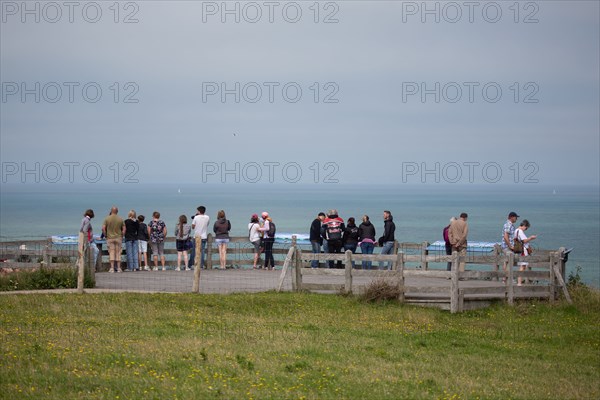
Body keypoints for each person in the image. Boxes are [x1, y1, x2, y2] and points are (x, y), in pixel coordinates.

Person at [514, 219, 537, 286]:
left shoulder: (516, 231)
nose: (526, 229)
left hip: (519, 250)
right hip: (523, 250)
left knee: (523, 266)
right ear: (524, 225)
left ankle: (519, 281)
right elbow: (524, 241)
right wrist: (531, 238)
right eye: (526, 228)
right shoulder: (520, 231)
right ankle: (519, 282)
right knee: (523, 266)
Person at [102, 206, 125, 273]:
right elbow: (124, 229)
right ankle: (118, 268)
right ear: (117, 211)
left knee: (111, 252)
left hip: (110, 238)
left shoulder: (107, 218)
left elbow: (103, 228)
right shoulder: (120, 219)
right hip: (118, 238)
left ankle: (112, 268)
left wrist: (105, 235)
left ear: (111, 211)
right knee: (118, 253)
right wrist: (122, 236)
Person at [501, 211, 519, 282]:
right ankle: (508, 278)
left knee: (506, 261)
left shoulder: (508, 224)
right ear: (511, 217)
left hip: (506, 246)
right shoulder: (508, 224)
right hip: (507, 246)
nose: (516, 219)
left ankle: (504, 278)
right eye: (515, 217)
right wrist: (510, 246)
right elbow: (506, 236)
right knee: (510, 260)